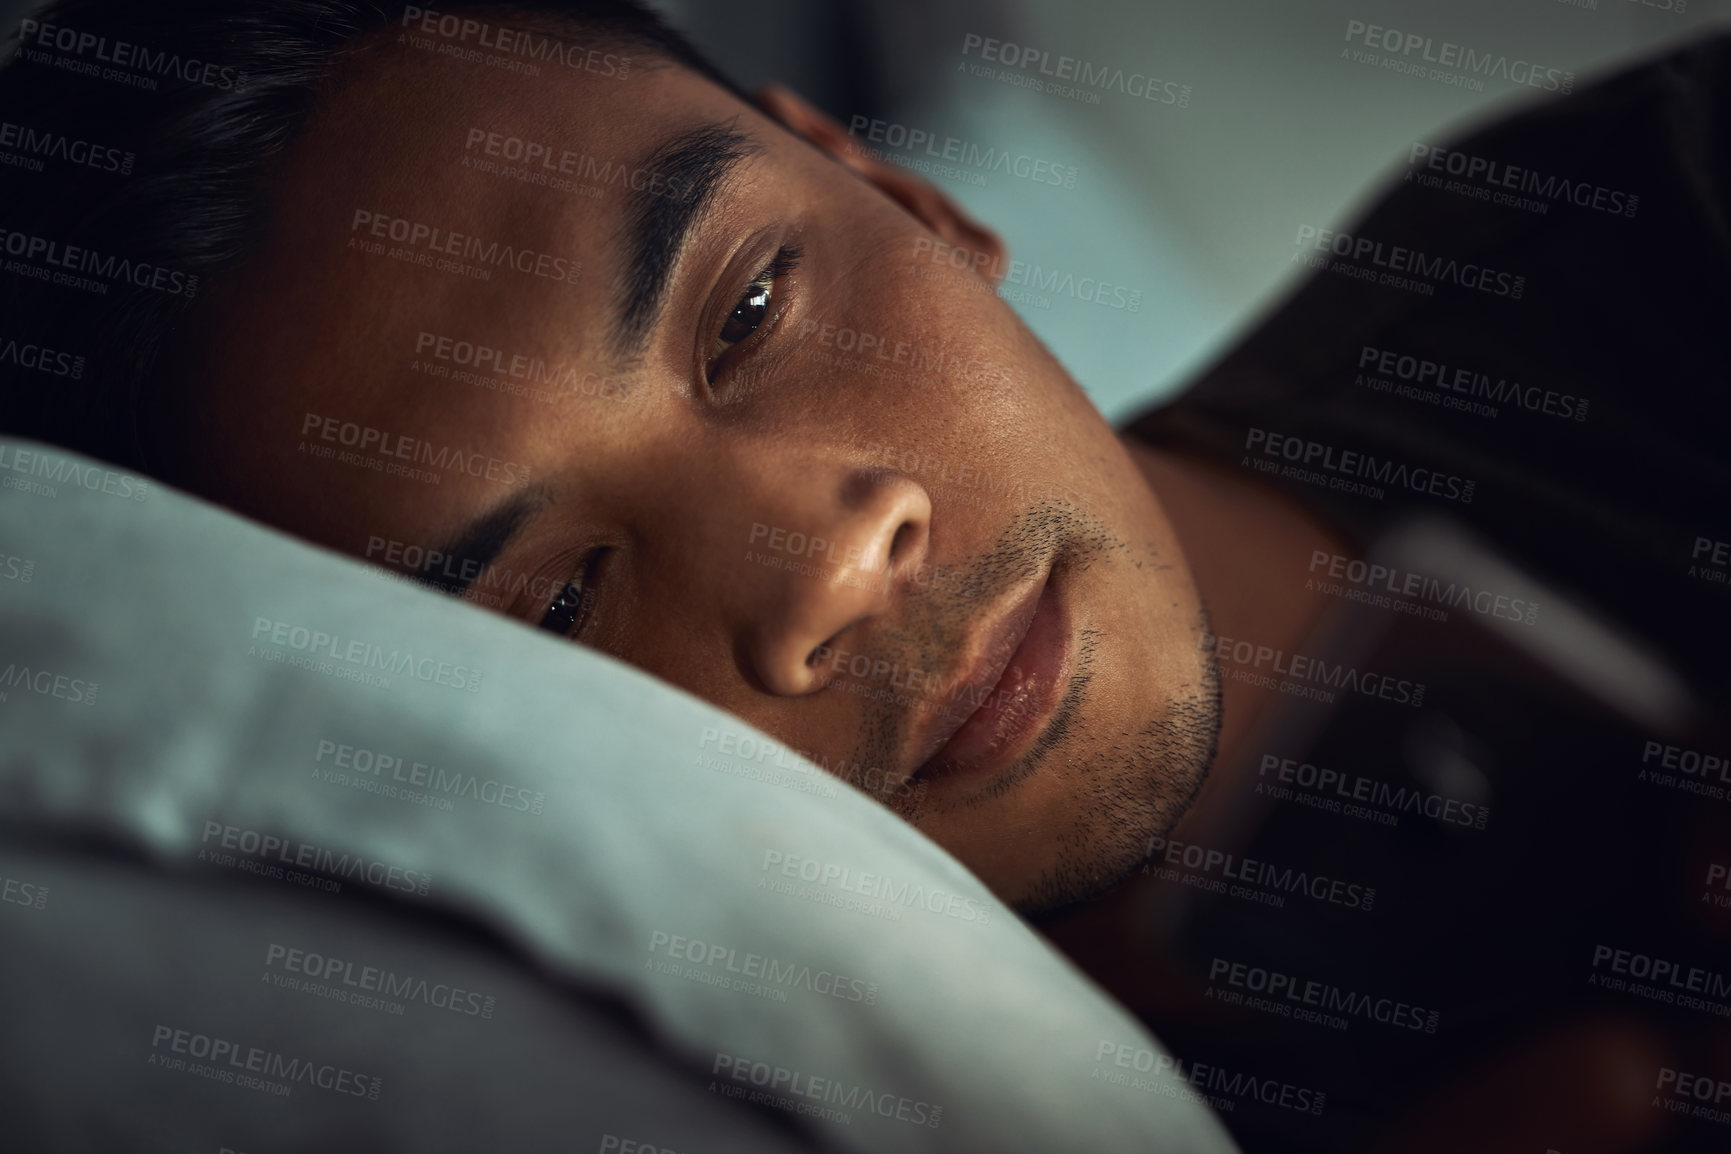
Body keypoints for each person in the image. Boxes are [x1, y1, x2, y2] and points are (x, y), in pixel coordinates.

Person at [4, 2, 1729, 1149]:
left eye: (749, 309)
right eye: (552, 603)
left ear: (896, 188)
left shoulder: (1673, 225)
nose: (828, 557)